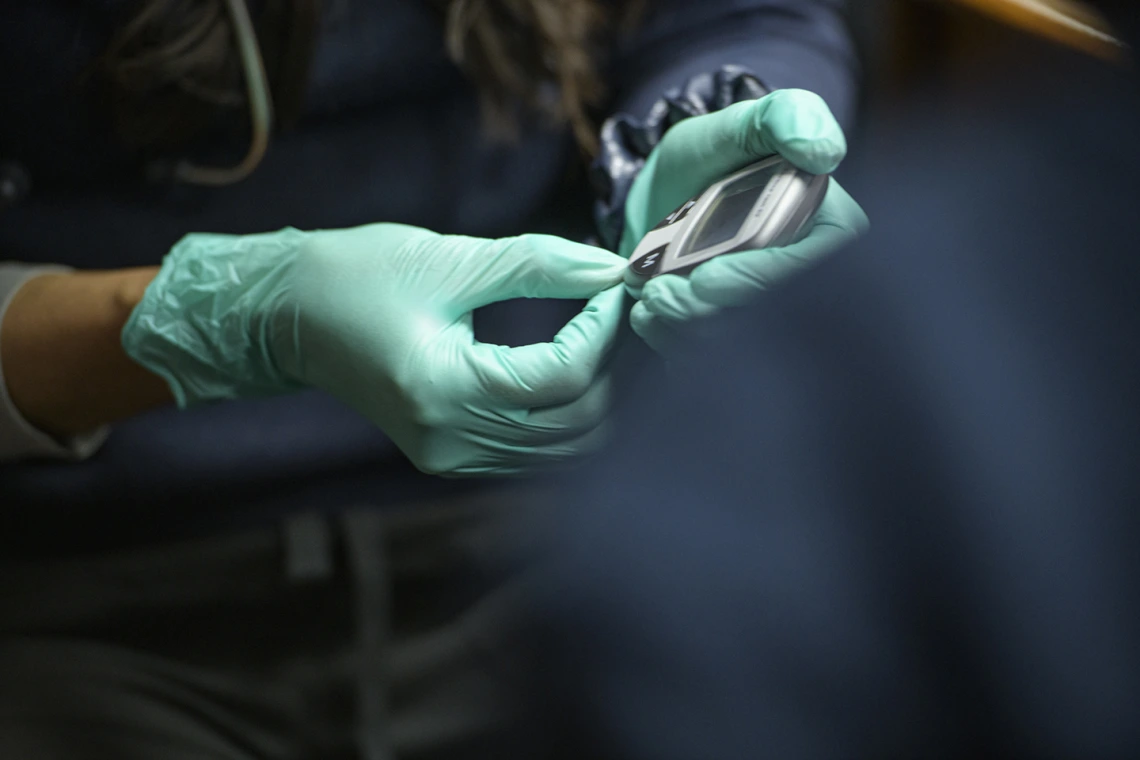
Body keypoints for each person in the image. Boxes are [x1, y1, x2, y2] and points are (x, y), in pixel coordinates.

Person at [0, 1, 866, 758]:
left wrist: (718, 142)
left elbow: (738, 16)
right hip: (89, 583)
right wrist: (216, 319)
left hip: (543, 534)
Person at [530, 2, 1140, 757]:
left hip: (536, 511)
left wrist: (722, 132)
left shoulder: (869, 384)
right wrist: (328, 315)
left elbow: (740, 15)